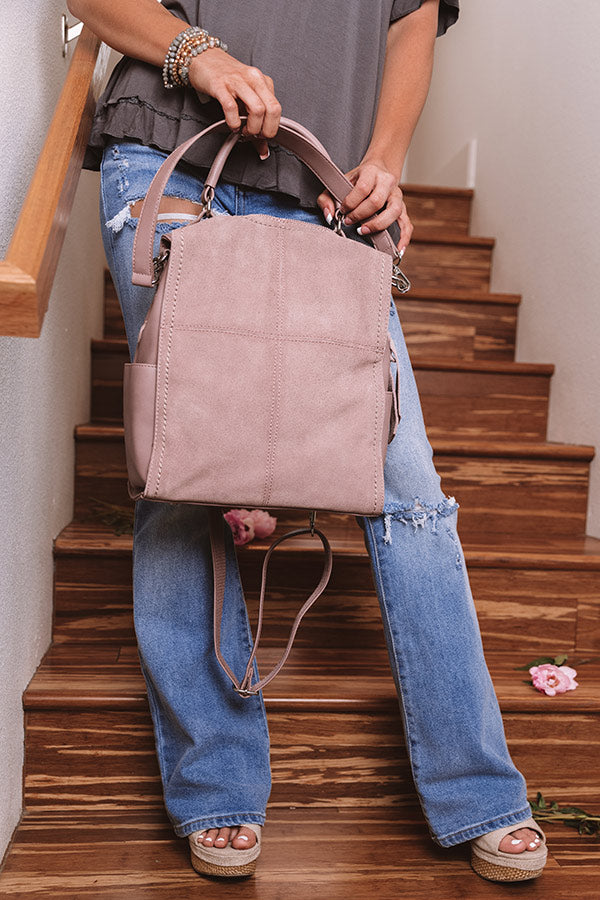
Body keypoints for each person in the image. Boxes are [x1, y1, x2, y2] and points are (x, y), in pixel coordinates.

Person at [72, 0, 547, 883]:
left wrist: (387, 161)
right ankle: (215, 785)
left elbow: (411, 19)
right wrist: (198, 54)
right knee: (187, 467)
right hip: (170, 156)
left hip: (321, 181)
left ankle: (480, 788)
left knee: (407, 493)